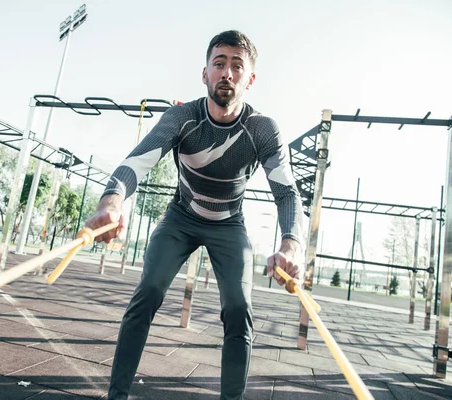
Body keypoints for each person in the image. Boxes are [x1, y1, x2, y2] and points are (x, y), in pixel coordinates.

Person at [85, 30, 304, 400]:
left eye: (237, 66)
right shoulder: (182, 117)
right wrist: (111, 202)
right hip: (180, 219)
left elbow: (286, 191)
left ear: (250, 79)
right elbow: (137, 161)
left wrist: (292, 244)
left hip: (229, 225)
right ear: (205, 73)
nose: (227, 73)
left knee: (238, 310)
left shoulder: (263, 129)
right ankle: (116, 395)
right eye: (219, 64)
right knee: (148, 291)